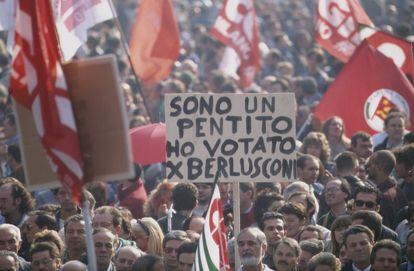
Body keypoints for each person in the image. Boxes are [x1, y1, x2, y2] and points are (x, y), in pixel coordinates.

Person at [366, 150, 408, 228]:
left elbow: (384, 229)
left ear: (380, 166)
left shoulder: (384, 197)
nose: (368, 168)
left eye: (371, 164)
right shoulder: (399, 191)